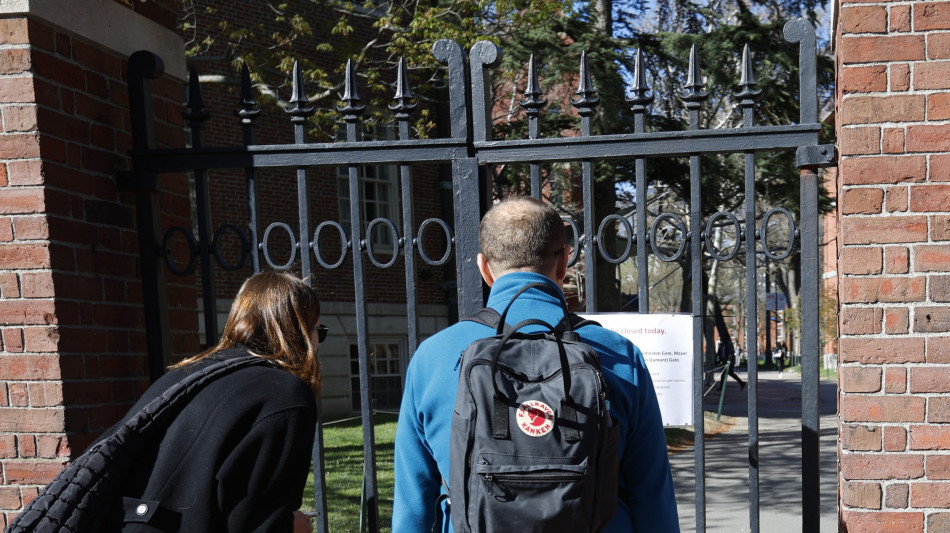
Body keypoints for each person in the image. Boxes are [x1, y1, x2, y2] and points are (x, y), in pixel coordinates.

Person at [392, 197, 679, 532]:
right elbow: (652, 494)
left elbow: (413, 503)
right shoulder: (620, 355)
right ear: (564, 261)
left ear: (484, 267)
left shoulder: (433, 356)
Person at [97, 271, 322, 532]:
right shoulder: (283, 394)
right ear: (301, 331)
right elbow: (256, 521)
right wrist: (290, 526)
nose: (318, 342)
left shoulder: (183, 376)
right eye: (320, 331)